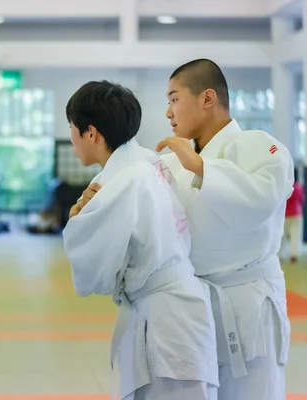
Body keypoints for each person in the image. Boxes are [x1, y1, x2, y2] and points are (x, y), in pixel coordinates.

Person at [62, 80, 218, 400]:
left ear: (90, 132)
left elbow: (92, 273)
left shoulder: (125, 180)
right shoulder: (147, 165)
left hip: (167, 319)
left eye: (72, 127)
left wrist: (77, 218)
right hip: (176, 308)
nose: (71, 137)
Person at [157, 58, 294, 400]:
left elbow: (259, 202)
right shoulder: (173, 161)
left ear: (207, 98)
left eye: (174, 99)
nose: (168, 112)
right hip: (193, 305)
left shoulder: (259, 145)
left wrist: (201, 167)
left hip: (247, 303)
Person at [282, 168, 304, 263]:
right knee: (295, 235)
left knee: (282, 236)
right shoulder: (298, 188)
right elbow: (302, 200)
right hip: (296, 214)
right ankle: (294, 255)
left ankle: (281, 255)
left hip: (284, 215)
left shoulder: (284, 187)